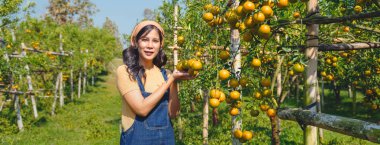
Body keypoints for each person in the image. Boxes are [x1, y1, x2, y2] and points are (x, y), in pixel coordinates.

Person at [116, 20, 195, 145]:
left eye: (155, 41)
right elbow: (141, 109)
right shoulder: (126, 72)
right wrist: (170, 80)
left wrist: (174, 81)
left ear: (160, 45)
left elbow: (173, 114)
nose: (150, 46)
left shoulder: (166, 75)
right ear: (135, 42)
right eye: (145, 39)